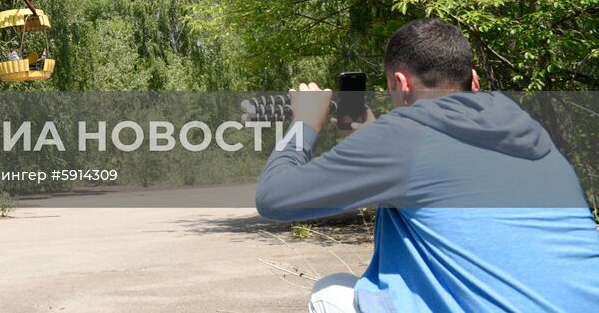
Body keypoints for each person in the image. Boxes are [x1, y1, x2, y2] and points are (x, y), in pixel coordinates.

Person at [256, 18, 599, 312]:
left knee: (331, 293)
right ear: (474, 81)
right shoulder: (533, 136)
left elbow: (274, 197)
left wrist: (304, 123)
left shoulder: (403, 139)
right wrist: (374, 134)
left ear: (402, 84)